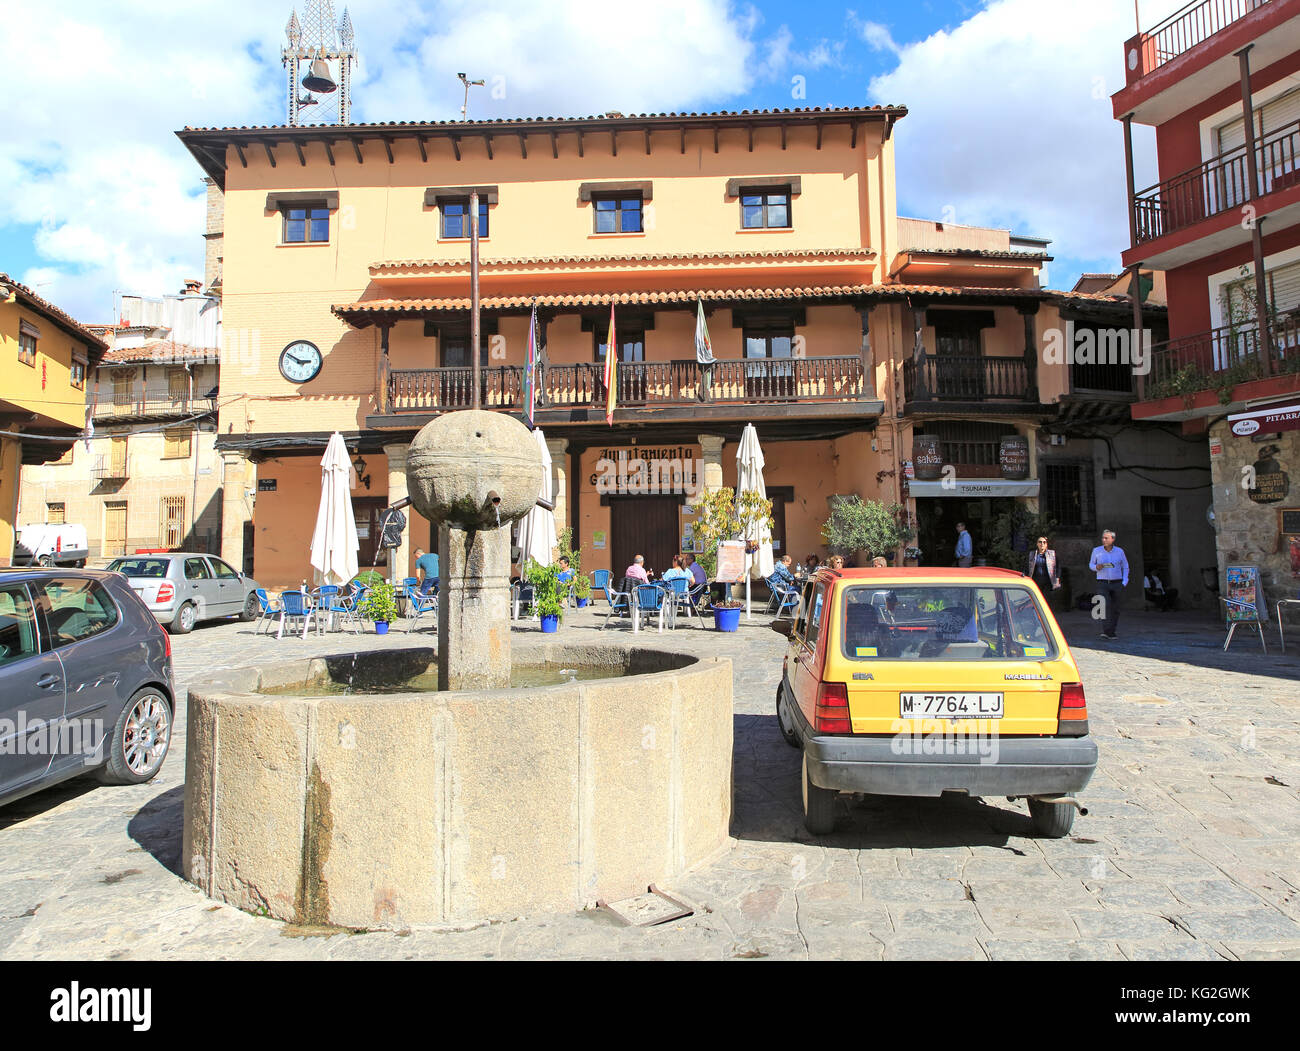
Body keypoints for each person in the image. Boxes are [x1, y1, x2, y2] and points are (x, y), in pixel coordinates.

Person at [1089, 529, 1129, 640]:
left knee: (1115, 608)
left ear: (1113, 539)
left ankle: (1112, 630)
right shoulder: (1096, 551)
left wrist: (1124, 582)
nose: (1104, 540)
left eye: (1106, 538)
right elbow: (1091, 564)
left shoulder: (1119, 551)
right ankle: (1107, 631)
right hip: (1102, 582)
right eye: (1103, 538)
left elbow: (1125, 566)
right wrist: (1096, 567)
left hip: (1117, 583)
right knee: (1104, 605)